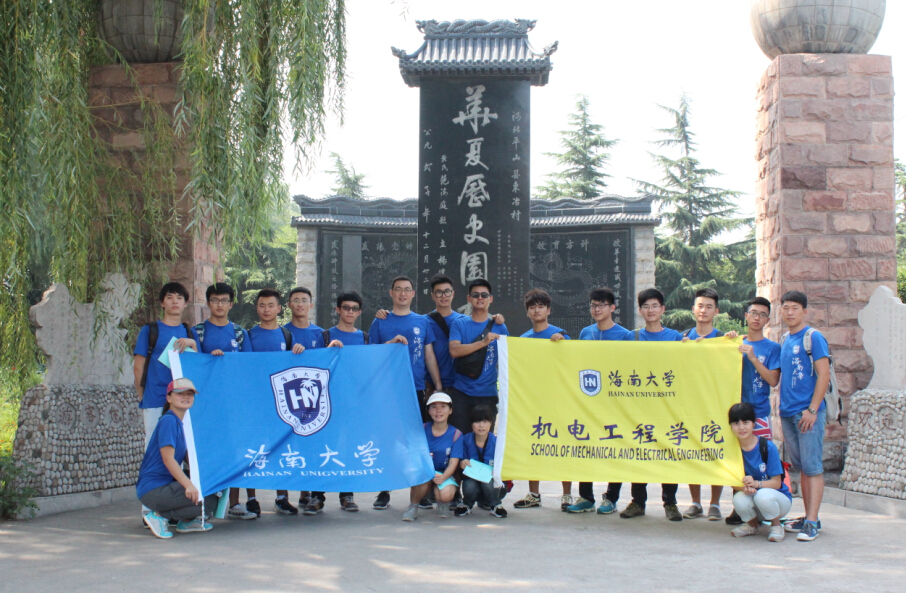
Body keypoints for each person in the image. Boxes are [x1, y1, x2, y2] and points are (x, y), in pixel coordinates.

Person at [607, 288, 684, 522]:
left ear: (663, 309)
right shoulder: (632, 337)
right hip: (639, 406)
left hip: (667, 406)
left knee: (668, 453)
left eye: (655, 306)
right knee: (638, 453)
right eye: (646, 306)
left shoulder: (675, 337)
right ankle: (638, 501)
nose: (650, 310)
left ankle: (670, 503)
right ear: (640, 311)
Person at [369, 276, 442, 511]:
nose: (402, 293)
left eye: (407, 290)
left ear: (413, 294)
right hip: (388, 390)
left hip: (416, 389)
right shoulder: (380, 321)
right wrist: (390, 343)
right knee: (388, 439)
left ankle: (421, 491)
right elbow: (371, 356)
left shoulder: (423, 321)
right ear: (391, 293)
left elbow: (429, 355)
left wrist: (438, 387)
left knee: (417, 441)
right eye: (398, 289)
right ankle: (384, 489)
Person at [565, 287, 633, 515]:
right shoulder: (586, 332)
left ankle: (611, 498)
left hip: (614, 401)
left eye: (602, 305)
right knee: (585, 447)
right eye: (593, 305)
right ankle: (586, 497)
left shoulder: (624, 335)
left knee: (615, 448)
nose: (597, 309)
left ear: (612, 308)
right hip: (589, 400)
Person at [194, 283, 257, 520]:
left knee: (236, 451)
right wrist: (209, 359)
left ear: (231, 304)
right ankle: (203, 504)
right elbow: (194, 364)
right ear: (207, 303)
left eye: (224, 301)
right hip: (206, 403)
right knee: (208, 452)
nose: (219, 305)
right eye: (214, 300)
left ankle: (235, 504)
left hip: (234, 403)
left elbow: (248, 367)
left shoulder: (240, 333)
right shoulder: (198, 332)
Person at [513, 288, 575, 512]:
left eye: (541, 306)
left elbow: (570, 365)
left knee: (563, 447)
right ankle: (533, 494)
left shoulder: (561, 335)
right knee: (534, 446)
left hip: (559, 400)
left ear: (549, 310)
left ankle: (567, 494)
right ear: (527, 312)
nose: (536, 310)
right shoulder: (523, 340)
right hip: (533, 401)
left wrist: (562, 344)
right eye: (532, 307)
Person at [300, 291, 362, 515]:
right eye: (346, 307)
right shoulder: (325, 336)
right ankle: (317, 496)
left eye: (354, 308)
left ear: (359, 312)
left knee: (349, 447)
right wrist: (328, 352)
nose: (350, 312)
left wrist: (394, 345)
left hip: (352, 402)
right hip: (325, 402)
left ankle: (347, 494)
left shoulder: (365, 338)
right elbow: (313, 366)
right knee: (324, 447)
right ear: (338, 310)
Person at [248, 288, 305, 516]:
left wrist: (299, 350)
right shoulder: (249, 335)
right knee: (254, 448)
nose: (266, 309)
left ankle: (282, 497)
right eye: (262, 305)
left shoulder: (287, 336)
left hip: (282, 402)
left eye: (271, 305)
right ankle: (251, 498)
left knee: (283, 448)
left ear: (279, 308)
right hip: (256, 401)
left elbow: (296, 367)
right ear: (257, 308)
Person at [137, 378, 218, 539]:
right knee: (208, 499)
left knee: (212, 492)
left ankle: (186, 521)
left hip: (163, 486)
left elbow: (189, 459)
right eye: (180, 394)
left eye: (190, 394)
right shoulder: (169, 421)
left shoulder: (179, 423)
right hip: (153, 489)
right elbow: (168, 460)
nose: (186, 397)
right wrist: (189, 485)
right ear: (169, 398)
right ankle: (158, 515)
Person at [725, 296, 781, 527]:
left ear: (768, 320)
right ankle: (740, 508)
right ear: (746, 316)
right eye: (753, 313)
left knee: (761, 460)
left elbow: (773, 380)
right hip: (736, 414)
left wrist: (753, 358)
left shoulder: (772, 348)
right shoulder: (734, 342)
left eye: (762, 314)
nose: (757, 318)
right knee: (736, 461)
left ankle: (764, 507)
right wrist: (727, 342)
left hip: (759, 414)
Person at [778, 291, 829, 542]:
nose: (790, 312)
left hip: (807, 413)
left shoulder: (813, 337)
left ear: (804, 311)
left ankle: (812, 522)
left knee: (813, 467)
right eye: (786, 307)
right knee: (802, 469)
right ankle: (809, 517)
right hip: (788, 413)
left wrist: (812, 410)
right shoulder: (785, 339)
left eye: (795, 308)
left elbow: (824, 375)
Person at [682, 287, 730, 521]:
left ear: (716, 311)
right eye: (700, 306)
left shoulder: (723, 339)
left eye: (709, 307)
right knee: (692, 453)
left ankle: (715, 504)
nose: (703, 310)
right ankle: (695, 502)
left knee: (715, 454)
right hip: (690, 405)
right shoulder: (683, 337)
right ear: (693, 309)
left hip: (715, 405)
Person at [133, 282, 199, 448]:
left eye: (179, 298)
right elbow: (138, 367)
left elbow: (197, 366)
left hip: (183, 399)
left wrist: (192, 343)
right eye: (169, 297)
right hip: (155, 399)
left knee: (182, 448)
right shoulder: (150, 331)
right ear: (162, 303)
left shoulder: (189, 333)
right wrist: (143, 396)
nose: (175, 301)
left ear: (185, 303)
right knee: (154, 447)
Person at [447, 279, 509, 434]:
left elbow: (509, 358)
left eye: (484, 295)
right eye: (475, 295)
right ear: (469, 298)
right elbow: (454, 351)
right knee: (459, 438)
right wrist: (483, 343)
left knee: (483, 440)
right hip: (461, 393)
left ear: (491, 299)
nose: (480, 298)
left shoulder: (500, 326)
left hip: (487, 394)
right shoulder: (459, 324)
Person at [727, 402, 791, 542]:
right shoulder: (733, 451)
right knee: (739, 498)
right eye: (736, 423)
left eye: (746, 422)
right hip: (755, 500)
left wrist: (756, 484)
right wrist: (744, 488)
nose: (741, 427)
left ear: (753, 424)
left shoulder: (767, 447)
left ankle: (776, 526)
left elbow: (776, 483)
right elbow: (732, 483)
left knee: (762, 495)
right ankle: (752, 525)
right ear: (730, 426)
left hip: (778, 501)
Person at [402, 392, 462, 521]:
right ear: (429, 411)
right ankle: (413, 506)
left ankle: (442, 503)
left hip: (444, 473)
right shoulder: (421, 430)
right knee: (420, 481)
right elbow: (413, 456)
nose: (438, 411)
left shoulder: (456, 434)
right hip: (424, 472)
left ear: (450, 410)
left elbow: (453, 462)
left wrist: (443, 477)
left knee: (446, 494)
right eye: (434, 407)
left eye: (443, 406)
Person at [453, 404, 508, 518]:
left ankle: (495, 505)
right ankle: (467, 504)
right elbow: (459, 459)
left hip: (492, 485)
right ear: (471, 424)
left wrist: (499, 470)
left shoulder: (497, 442)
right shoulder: (465, 440)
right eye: (477, 421)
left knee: (489, 483)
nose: (481, 425)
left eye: (485, 421)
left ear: (491, 423)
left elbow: (506, 463)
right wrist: (462, 463)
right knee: (469, 486)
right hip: (472, 481)